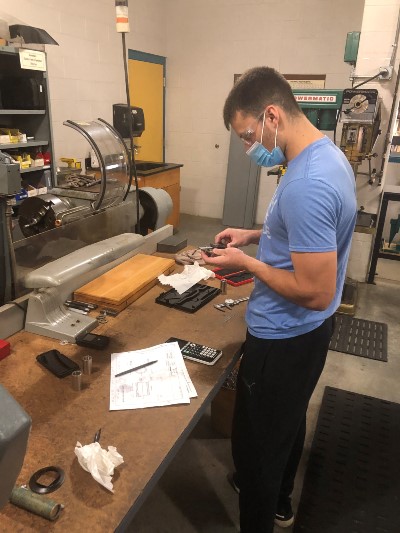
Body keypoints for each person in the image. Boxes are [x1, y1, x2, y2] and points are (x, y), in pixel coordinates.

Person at [201, 66, 357, 533]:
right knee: (286, 421)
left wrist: (246, 264)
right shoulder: (325, 155)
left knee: (256, 449)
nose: (250, 147)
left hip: (285, 337)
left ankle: (261, 504)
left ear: (272, 115)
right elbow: (306, 238)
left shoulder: (307, 183)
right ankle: (281, 500)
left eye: (248, 135)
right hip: (309, 334)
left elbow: (315, 290)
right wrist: (254, 235)